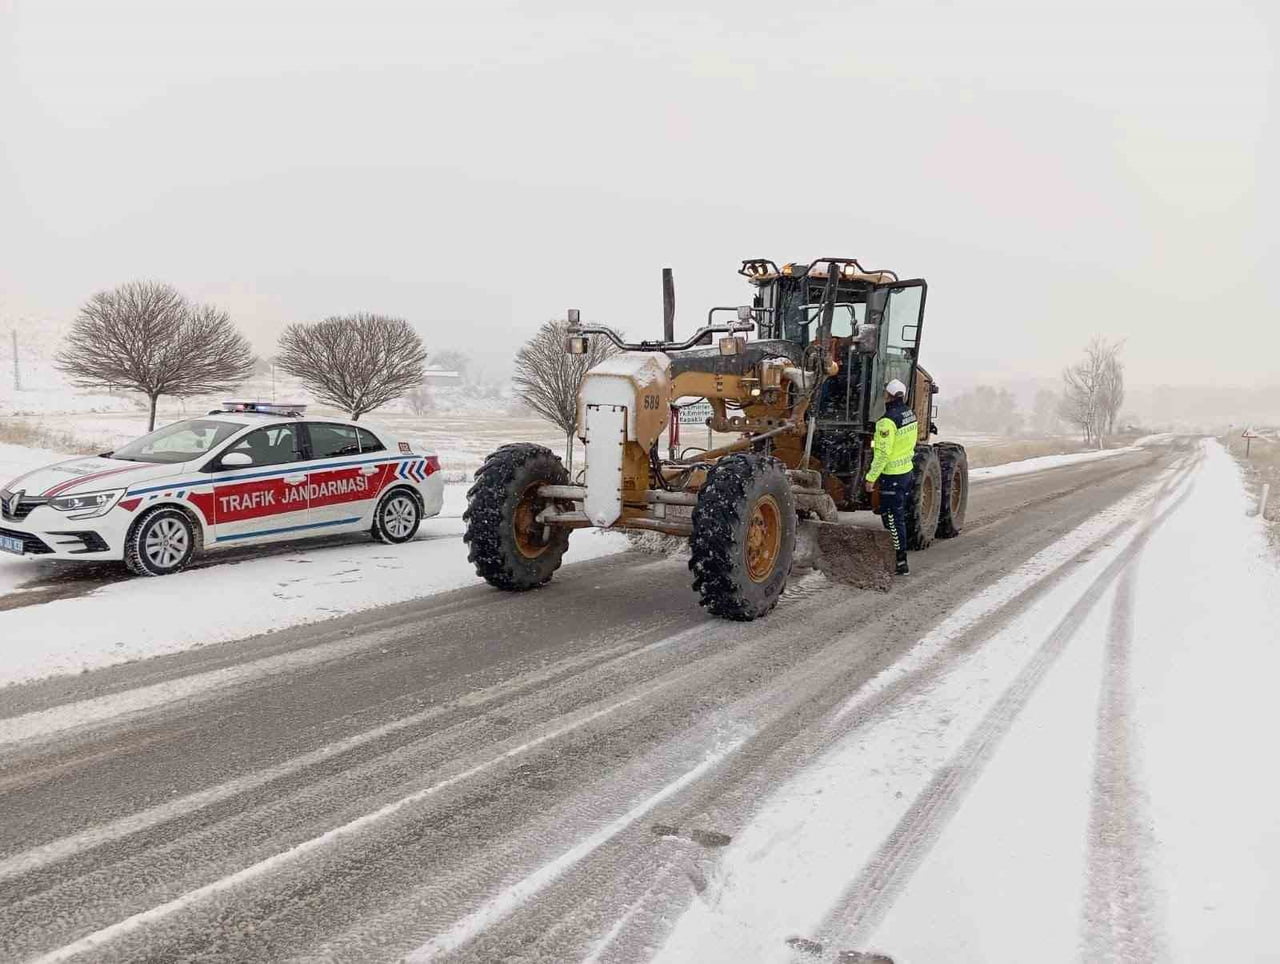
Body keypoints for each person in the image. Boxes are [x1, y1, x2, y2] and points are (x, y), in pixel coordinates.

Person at [864, 378, 918, 575]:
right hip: (906, 472)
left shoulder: (887, 421)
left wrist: (871, 477)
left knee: (893, 519)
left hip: (892, 475)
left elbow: (882, 454)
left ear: (888, 395)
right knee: (896, 516)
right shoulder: (909, 414)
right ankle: (897, 557)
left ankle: (900, 561)